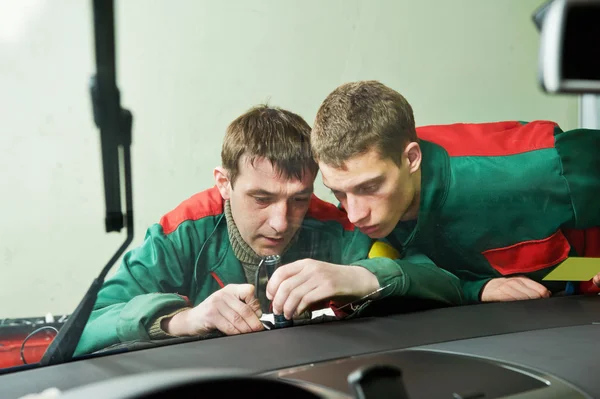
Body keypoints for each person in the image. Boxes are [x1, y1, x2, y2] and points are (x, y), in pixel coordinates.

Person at [74, 104, 464, 356]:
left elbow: (442, 282)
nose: (281, 222)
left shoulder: (335, 224)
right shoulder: (182, 232)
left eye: (298, 199)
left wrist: (360, 276)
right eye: (261, 198)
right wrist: (181, 320)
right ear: (223, 183)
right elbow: (86, 326)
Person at [310, 80, 600, 304]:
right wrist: (476, 288)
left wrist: (591, 269)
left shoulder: (528, 168)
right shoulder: (361, 194)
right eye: (339, 193)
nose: (356, 213)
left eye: (370, 188)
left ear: (411, 159)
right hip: (552, 291)